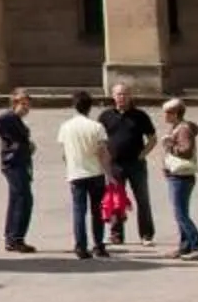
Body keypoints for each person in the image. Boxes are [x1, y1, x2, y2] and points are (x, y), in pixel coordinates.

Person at [101, 81, 159, 249]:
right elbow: (99, 138)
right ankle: (116, 234)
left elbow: (152, 138)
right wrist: (105, 157)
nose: (122, 97)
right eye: (118, 94)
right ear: (113, 96)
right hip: (115, 165)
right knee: (116, 200)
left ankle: (146, 235)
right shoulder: (106, 116)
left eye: (125, 94)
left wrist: (143, 154)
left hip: (136, 164)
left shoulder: (140, 116)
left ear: (130, 96)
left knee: (143, 199)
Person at [59, 90, 111, 261]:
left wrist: (71, 167)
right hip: (95, 173)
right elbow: (102, 152)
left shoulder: (66, 127)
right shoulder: (96, 127)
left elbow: (65, 153)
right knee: (97, 212)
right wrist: (109, 174)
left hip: (76, 174)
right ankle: (99, 245)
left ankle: (81, 246)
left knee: (79, 211)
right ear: (90, 107)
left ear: (74, 106)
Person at [0, 88, 37, 253]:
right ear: (15, 104)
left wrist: (26, 146)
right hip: (13, 164)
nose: (26, 108)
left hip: (20, 163)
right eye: (23, 104)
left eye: (28, 105)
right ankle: (16, 238)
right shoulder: (10, 117)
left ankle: (12, 237)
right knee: (24, 200)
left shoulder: (17, 121)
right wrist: (12, 141)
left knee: (17, 199)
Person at [160, 98, 198, 261]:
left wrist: (170, 146)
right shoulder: (178, 127)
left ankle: (197, 247)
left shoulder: (183, 129)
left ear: (175, 114)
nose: (164, 115)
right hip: (178, 176)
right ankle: (185, 246)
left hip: (181, 177)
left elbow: (186, 150)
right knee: (180, 213)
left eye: (167, 112)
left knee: (181, 214)